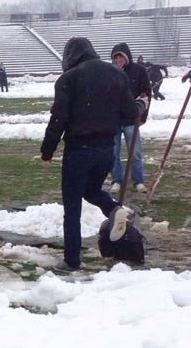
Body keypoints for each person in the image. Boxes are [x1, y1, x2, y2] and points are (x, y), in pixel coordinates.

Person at [40, 37, 148, 272]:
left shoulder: (69, 79)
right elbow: (130, 112)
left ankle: (71, 260)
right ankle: (113, 209)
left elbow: (59, 118)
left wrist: (47, 150)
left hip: (79, 150)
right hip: (106, 149)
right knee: (90, 190)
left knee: (72, 207)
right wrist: (142, 105)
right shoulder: (117, 74)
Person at [109, 42, 151, 195]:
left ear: (127, 57)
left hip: (132, 118)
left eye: (121, 57)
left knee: (135, 151)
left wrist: (143, 115)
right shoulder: (109, 72)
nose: (119, 60)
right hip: (113, 119)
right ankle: (116, 180)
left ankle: (138, 181)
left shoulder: (139, 71)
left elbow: (146, 93)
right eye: (116, 58)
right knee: (113, 152)